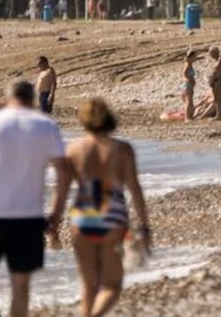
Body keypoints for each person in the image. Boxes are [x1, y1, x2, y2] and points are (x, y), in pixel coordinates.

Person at [0, 80, 70, 317]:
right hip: (29, 215)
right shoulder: (46, 125)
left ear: (6, 98)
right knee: (21, 282)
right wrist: (56, 213)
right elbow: (64, 172)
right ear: (32, 99)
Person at [64, 98, 150, 317]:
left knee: (89, 285)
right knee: (112, 285)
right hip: (112, 215)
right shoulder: (122, 149)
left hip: (82, 216)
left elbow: (62, 191)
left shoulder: (73, 149)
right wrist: (144, 227)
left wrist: (54, 223)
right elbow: (135, 188)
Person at [181, 49, 199, 121]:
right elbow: (184, 73)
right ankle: (188, 117)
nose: (195, 58)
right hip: (188, 84)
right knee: (189, 100)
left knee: (188, 101)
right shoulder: (188, 64)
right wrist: (189, 79)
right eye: (194, 57)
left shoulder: (188, 64)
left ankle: (188, 116)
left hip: (186, 84)